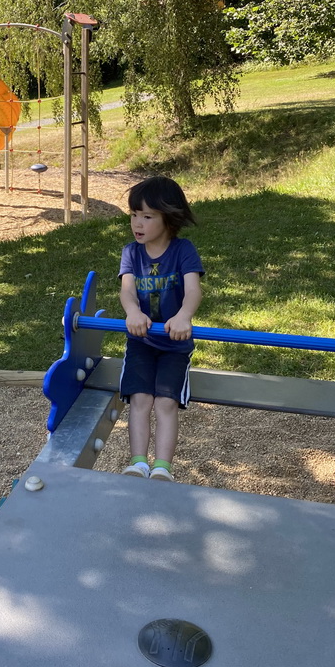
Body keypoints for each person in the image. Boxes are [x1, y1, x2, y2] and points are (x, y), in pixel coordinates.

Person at [118, 176, 204, 481]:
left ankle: (162, 468)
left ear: (168, 218)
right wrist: (132, 311)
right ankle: (139, 463)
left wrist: (184, 315)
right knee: (141, 399)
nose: (137, 223)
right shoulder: (132, 252)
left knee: (165, 402)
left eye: (147, 216)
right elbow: (127, 290)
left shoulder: (183, 250)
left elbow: (193, 290)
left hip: (174, 344)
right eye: (133, 215)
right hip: (141, 341)